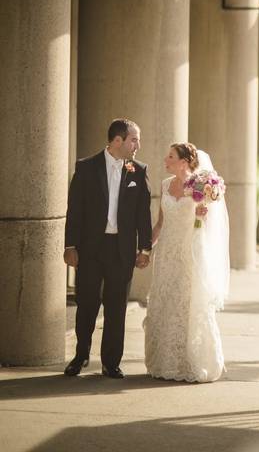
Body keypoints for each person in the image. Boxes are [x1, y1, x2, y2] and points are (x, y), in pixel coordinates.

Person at [63, 118, 152, 379]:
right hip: (91, 248)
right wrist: (70, 245)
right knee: (87, 305)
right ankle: (80, 356)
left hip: (121, 250)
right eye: (134, 139)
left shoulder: (139, 169)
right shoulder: (86, 167)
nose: (138, 144)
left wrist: (144, 249)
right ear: (117, 141)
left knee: (116, 308)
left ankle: (111, 362)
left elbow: (142, 215)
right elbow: (75, 210)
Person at [143, 142, 229, 383]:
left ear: (183, 162)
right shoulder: (165, 184)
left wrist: (202, 216)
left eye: (170, 156)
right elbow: (160, 223)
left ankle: (188, 362)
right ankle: (163, 360)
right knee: (164, 301)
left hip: (189, 253)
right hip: (167, 253)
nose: (165, 159)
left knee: (185, 304)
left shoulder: (201, 184)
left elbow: (206, 223)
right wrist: (146, 249)